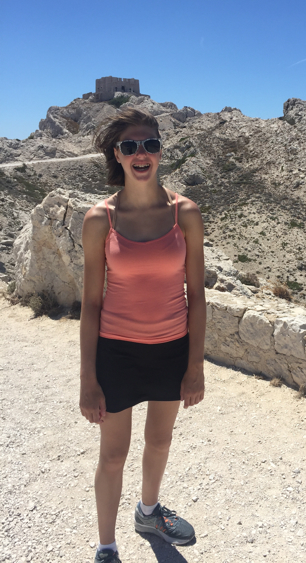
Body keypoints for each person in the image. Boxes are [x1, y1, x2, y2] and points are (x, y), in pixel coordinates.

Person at [79, 107, 206, 563]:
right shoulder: (100, 219)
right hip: (117, 352)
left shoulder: (184, 213)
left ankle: (149, 513)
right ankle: (107, 547)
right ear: (118, 154)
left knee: (160, 441)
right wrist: (87, 379)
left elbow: (197, 297)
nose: (141, 153)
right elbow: (91, 304)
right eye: (130, 146)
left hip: (171, 349)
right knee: (113, 455)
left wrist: (195, 366)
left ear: (160, 152)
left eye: (150, 144)